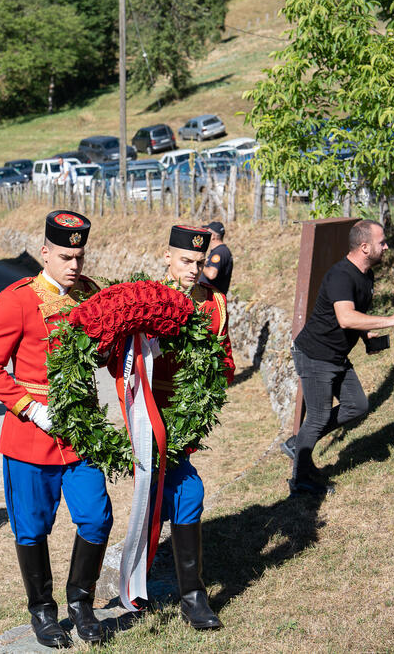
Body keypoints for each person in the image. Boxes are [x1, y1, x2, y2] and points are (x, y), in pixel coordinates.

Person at [0, 211, 113, 648]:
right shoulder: (17, 299)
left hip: (83, 431)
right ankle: (42, 610)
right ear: (45, 253)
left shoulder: (91, 294)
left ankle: (81, 603)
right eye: (65, 256)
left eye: (80, 256)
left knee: (96, 516)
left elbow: (106, 353)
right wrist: (31, 410)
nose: (74, 265)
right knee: (32, 528)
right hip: (31, 436)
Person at [130, 225, 236, 630]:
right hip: (146, 413)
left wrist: (209, 374)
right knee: (157, 493)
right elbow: (114, 361)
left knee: (186, 492)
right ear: (167, 258)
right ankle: (138, 575)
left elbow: (226, 363)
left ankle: (192, 599)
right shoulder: (143, 299)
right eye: (186, 262)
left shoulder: (215, 305)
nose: (195, 270)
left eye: (200, 262)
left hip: (185, 417)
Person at [285, 219, 394, 496]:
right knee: (318, 416)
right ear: (364, 247)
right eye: (381, 242)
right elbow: (346, 318)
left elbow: (355, 318)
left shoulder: (366, 276)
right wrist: (390, 320)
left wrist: (368, 337)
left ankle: (297, 444)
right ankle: (300, 479)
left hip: (336, 356)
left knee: (357, 405)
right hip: (315, 355)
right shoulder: (341, 276)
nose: (386, 246)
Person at [198, 221, 233, 295]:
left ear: (213, 236)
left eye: (207, 232)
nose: (204, 235)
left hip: (212, 299)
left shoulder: (219, 252)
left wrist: (201, 264)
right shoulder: (221, 251)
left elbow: (211, 274)